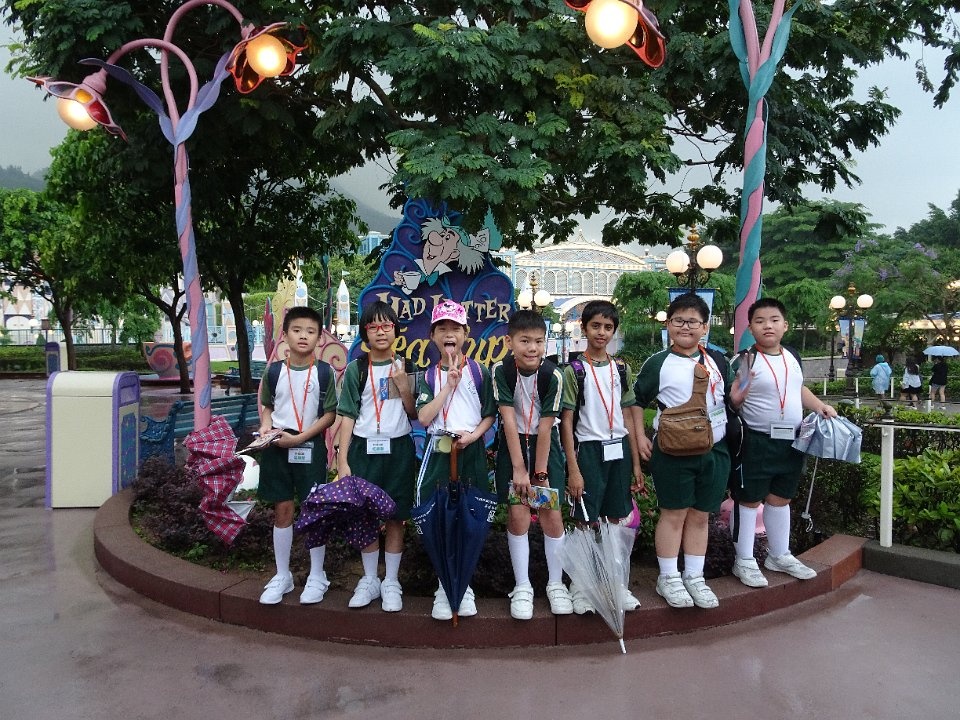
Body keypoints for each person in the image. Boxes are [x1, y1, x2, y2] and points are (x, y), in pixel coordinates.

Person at [632, 293, 742, 609]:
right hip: (673, 451)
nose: (685, 327)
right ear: (668, 324)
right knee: (674, 513)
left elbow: (731, 399)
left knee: (700, 515)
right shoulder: (658, 363)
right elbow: (635, 401)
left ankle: (694, 576)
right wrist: (639, 437)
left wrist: (746, 385)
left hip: (715, 450)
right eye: (678, 320)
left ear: (705, 327)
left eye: (693, 321)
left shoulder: (719, 361)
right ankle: (668, 577)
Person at [726, 298, 837, 590]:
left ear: (785, 325)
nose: (768, 326)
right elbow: (733, 400)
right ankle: (744, 559)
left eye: (774, 320)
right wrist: (735, 399)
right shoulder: (746, 360)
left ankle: (779, 555)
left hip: (792, 440)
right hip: (756, 441)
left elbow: (797, 387)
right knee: (748, 500)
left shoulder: (793, 355)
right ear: (751, 327)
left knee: (781, 498)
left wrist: (820, 406)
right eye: (760, 321)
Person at [560, 300, 644, 614]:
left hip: (618, 449)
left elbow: (628, 414)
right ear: (584, 328)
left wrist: (636, 463)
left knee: (615, 518)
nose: (602, 332)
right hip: (589, 450)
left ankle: (615, 582)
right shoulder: (574, 371)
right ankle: (581, 586)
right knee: (584, 518)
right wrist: (573, 469)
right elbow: (566, 421)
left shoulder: (621, 368)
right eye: (595, 326)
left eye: (608, 327)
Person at [417, 299, 497, 620]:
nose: (449, 334)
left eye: (455, 328)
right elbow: (424, 417)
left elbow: (489, 414)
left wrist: (474, 437)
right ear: (432, 335)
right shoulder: (428, 376)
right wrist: (448, 387)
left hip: (471, 450)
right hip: (439, 450)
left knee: (469, 515)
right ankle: (444, 585)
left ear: (466, 333)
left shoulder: (479, 372)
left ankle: (464, 585)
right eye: (442, 328)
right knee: (440, 516)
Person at [336, 301, 417, 612]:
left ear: (395, 330)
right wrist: (342, 461)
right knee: (365, 515)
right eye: (373, 327)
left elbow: (414, 412)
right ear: (364, 333)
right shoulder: (356, 369)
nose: (381, 332)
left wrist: (403, 386)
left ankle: (391, 581)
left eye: (386, 326)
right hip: (364, 449)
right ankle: (370, 579)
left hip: (398, 449)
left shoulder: (406, 366)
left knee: (396, 516)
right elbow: (347, 415)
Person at [492, 310, 572, 620]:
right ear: (509, 342)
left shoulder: (554, 375)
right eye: (524, 341)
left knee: (551, 514)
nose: (532, 348)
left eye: (539, 341)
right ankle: (522, 586)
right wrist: (519, 470)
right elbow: (508, 420)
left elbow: (546, 426)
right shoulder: (501, 371)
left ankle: (556, 583)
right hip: (513, 447)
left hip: (545, 449)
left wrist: (539, 473)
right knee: (518, 514)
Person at [257, 307, 338, 605]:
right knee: (282, 509)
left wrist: (300, 438)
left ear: (319, 338)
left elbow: (329, 414)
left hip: (309, 445)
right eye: (297, 330)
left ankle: (317, 575)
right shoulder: (274, 371)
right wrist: (266, 427)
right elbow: (268, 406)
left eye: (311, 331)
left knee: (313, 509)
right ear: (286, 335)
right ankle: (283, 575)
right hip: (278, 445)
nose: (303, 336)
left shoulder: (325, 373)